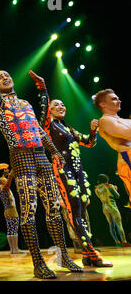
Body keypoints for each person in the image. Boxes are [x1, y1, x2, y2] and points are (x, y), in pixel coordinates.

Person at [0, 26, 82, 279]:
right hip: (21, 157)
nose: (4, 77)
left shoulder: (24, 103)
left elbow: (40, 130)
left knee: (53, 209)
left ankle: (64, 257)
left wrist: (53, 152)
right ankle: (38, 262)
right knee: (28, 210)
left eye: (7, 75)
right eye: (0, 76)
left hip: (41, 156)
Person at [36, 77, 111, 267]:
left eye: (63, 105)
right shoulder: (48, 125)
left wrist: (93, 130)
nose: (61, 107)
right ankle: (92, 253)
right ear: (50, 110)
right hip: (63, 170)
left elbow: (88, 142)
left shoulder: (67, 127)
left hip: (78, 172)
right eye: (56, 105)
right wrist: (43, 87)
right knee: (74, 212)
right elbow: (43, 110)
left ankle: (87, 255)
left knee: (82, 211)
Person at [93, 89, 131, 208]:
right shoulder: (105, 121)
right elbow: (128, 134)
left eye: (118, 98)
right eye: (114, 99)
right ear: (103, 104)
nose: (119, 100)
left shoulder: (124, 120)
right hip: (127, 158)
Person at [94, 174, 131, 248]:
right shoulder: (109, 186)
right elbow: (117, 196)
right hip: (112, 207)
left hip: (104, 208)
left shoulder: (96, 189)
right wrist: (115, 189)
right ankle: (124, 242)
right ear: (106, 180)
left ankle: (117, 242)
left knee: (111, 225)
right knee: (119, 225)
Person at [0, 170, 26, 254]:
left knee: (10, 229)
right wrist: (11, 175)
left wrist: (4, 174)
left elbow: (3, 180)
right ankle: (15, 249)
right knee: (14, 229)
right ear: (3, 182)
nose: (6, 180)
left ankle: (12, 249)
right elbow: (8, 182)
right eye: (4, 179)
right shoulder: (5, 188)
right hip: (11, 210)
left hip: (6, 210)